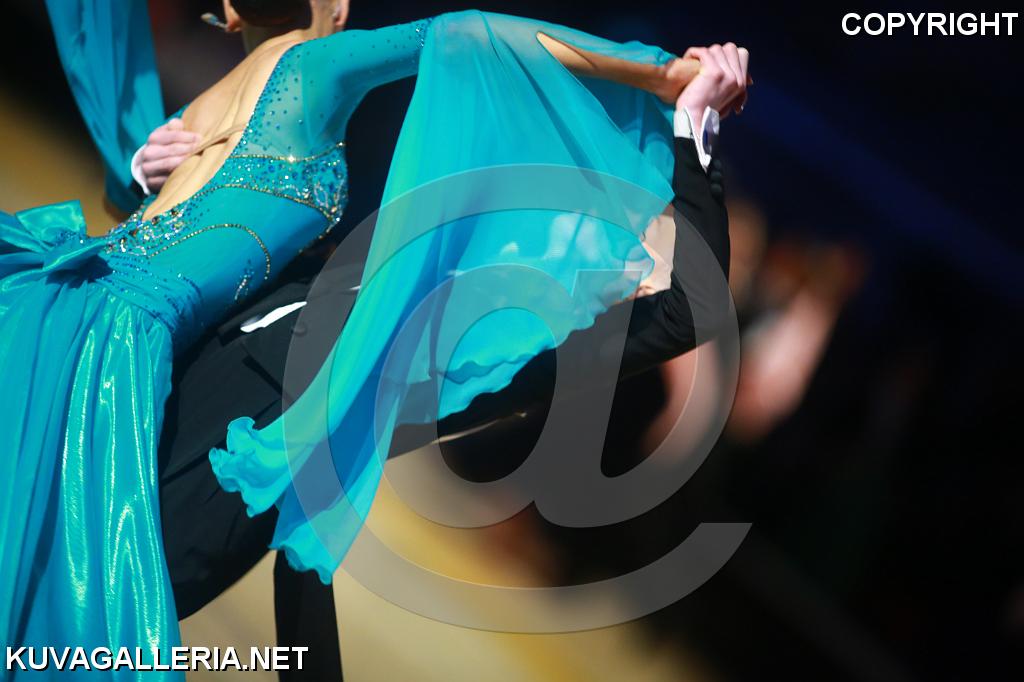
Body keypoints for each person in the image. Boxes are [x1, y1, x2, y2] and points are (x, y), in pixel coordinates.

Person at [1, 1, 746, 677]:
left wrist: (692, 126)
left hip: (153, 528)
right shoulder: (332, 253)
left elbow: (690, 311)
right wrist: (144, 171)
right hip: (100, 413)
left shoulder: (472, 352)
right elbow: (200, 223)